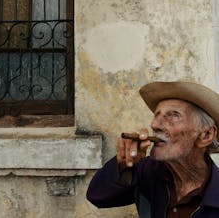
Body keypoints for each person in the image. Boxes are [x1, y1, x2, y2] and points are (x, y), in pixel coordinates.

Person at [86, 81, 219, 217]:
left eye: (173, 115)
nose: (154, 125)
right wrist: (124, 164)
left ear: (205, 135)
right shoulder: (149, 171)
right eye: (157, 115)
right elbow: (98, 196)